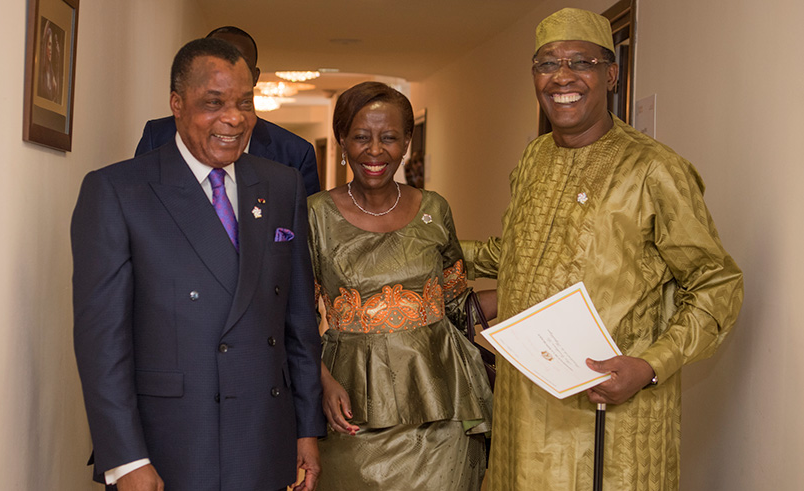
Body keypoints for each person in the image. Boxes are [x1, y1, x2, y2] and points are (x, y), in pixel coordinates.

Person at [463, 8, 744, 490]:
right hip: (522, 408)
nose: (562, 77)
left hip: (609, 417)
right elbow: (514, 251)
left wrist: (649, 367)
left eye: (581, 62)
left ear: (611, 74)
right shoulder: (534, 156)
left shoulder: (655, 169)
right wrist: (428, 242)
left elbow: (717, 285)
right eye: (548, 64)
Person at [71, 38, 325, 491]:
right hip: (171, 442)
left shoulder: (281, 184)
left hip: (264, 437)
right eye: (214, 103)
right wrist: (126, 459)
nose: (234, 118)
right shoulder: (118, 191)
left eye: (244, 103)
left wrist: (306, 427)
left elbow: (298, 322)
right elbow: (102, 343)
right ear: (176, 104)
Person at [308, 81, 493, 490]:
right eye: (361, 137)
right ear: (342, 141)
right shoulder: (315, 214)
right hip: (351, 403)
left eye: (389, 137)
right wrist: (322, 381)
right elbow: (293, 321)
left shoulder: (434, 208)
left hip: (440, 404)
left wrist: (527, 292)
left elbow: (455, 304)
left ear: (407, 141)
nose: (375, 151)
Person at [135, 26, 321, 195]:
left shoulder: (295, 153)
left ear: (255, 76)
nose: (227, 74)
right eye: (216, 65)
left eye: (240, 65)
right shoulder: (158, 135)